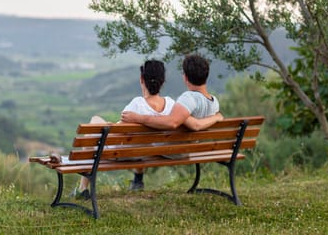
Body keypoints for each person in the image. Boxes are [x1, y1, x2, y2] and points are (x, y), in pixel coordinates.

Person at [72, 58, 221, 199]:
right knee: (132, 136)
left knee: (95, 120)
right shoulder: (171, 104)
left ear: (141, 80)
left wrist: (112, 125)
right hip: (143, 153)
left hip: (120, 153)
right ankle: (138, 180)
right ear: (162, 82)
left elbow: (116, 133)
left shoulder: (137, 104)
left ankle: (82, 189)